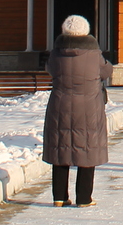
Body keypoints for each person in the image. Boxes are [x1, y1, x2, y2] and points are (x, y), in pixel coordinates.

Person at [42, 14, 112, 207]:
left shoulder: (56, 54)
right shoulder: (94, 55)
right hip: (89, 108)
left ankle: (59, 197)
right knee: (87, 150)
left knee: (60, 149)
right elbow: (107, 71)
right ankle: (84, 198)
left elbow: (49, 69)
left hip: (60, 106)